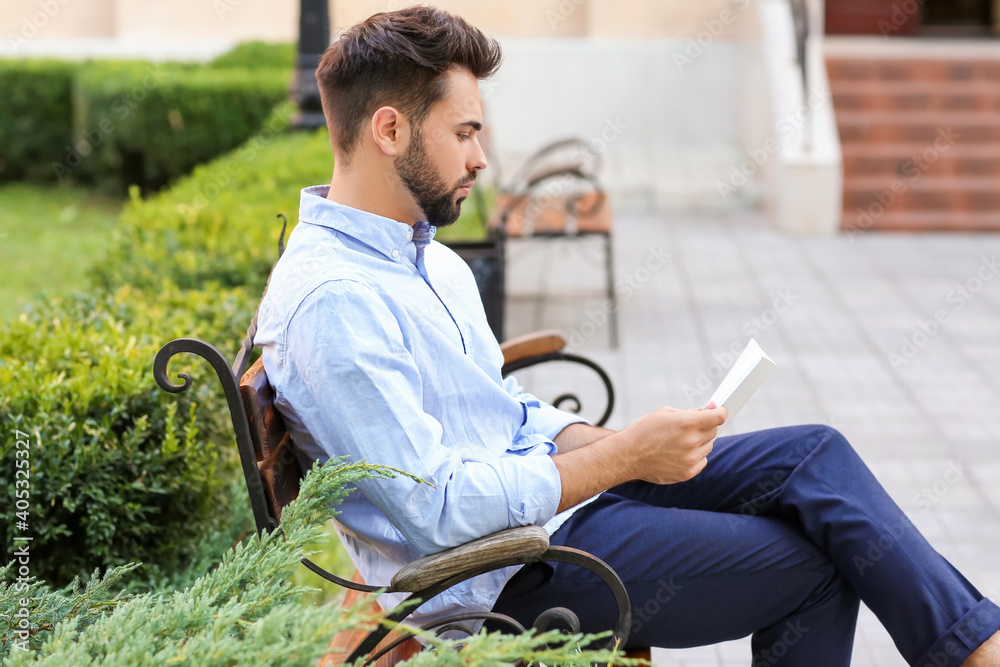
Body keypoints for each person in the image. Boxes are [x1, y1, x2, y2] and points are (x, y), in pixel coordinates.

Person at [253, 6, 1000, 665]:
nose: (480, 158)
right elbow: (437, 513)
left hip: (550, 507)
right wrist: (621, 459)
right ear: (389, 129)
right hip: (499, 572)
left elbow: (503, 411)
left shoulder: (426, 258)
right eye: (465, 132)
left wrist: (600, 440)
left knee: (813, 454)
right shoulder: (334, 301)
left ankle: (974, 645)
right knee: (820, 562)